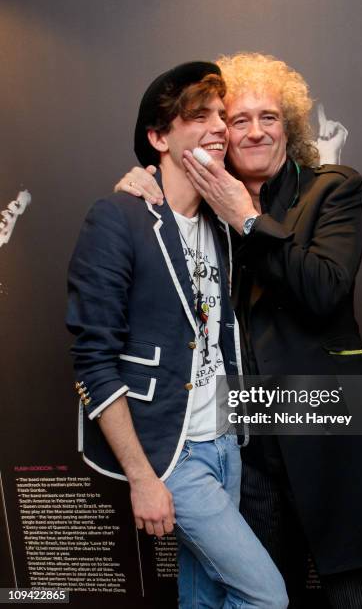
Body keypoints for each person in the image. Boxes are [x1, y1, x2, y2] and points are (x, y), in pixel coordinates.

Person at [115, 53, 362, 608]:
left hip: (332, 444)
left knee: (360, 596)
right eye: (238, 120)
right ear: (219, 133)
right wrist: (145, 178)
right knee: (262, 595)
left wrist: (248, 220)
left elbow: (324, 290)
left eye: (269, 117)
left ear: (290, 127)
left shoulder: (333, 189)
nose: (254, 131)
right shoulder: (202, 211)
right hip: (249, 453)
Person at [66, 61, 288, 609]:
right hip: (172, 451)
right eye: (199, 116)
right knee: (267, 596)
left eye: (221, 115)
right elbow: (94, 359)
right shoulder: (118, 217)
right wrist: (142, 477)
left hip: (226, 442)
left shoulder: (224, 226)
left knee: (207, 595)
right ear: (159, 137)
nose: (219, 127)